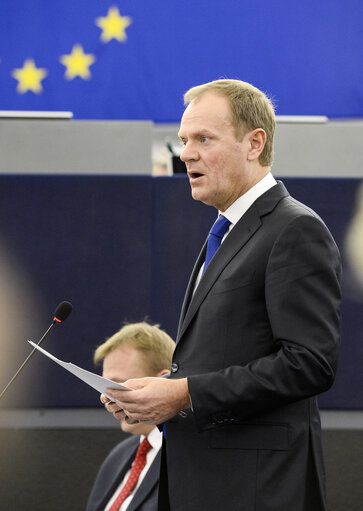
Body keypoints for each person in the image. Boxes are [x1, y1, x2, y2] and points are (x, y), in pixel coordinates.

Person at [102, 79, 342, 511]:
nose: (186, 153)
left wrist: (185, 393)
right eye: (183, 141)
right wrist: (157, 394)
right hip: (205, 483)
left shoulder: (294, 229)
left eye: (203, 139)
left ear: (254, 143)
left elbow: (310, 364)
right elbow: (225, 357)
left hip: (256, 489)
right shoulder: (227, 231)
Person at [86, 322, 175, 511]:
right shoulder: (119, 455)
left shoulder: (188, 457)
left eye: (117, 385)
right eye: (103, 386)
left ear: (162, 380)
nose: (105, 398)